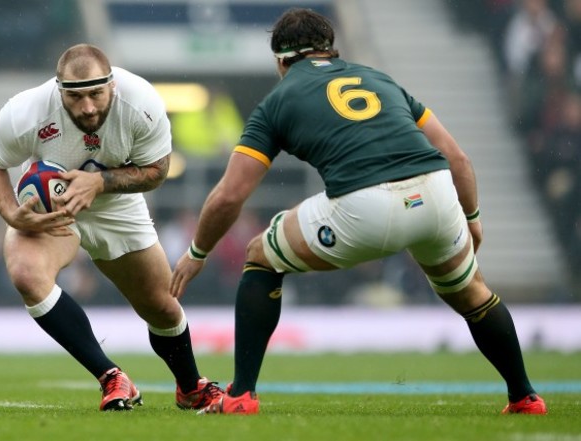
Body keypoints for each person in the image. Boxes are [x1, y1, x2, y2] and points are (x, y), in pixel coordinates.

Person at [170, 8, 547, 415]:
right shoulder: (379, 79)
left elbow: (229, 195)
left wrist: (197, 253)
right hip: (436, 195)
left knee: (261, 255)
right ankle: (524, 395)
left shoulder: (277, 100)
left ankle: (241, 395)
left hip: (364, 207)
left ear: (281, 61)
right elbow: (457, 158)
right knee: (472, 293)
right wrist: (472, 220)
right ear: (332, 51)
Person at [0, 43, 222, 411]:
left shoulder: (141, 102)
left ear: (112, 86)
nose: (88, 106)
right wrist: (11, 213)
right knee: (26, 273)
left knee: (161, 306)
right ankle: (111, 377)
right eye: (76, 97)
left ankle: (190, 386)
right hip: (53, 206)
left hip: (115, 204)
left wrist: (100, 182)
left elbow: (157, 171)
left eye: (95, 94)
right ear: (59, 91)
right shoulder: (27, 111)